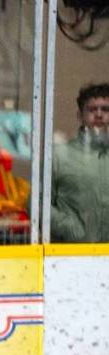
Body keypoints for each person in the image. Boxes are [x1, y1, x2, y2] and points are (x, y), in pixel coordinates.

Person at [51, 82, 109, 243]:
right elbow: (37, 203)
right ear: (80, 116)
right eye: (91, 109)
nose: (99, 115)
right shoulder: (60, 155)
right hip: (71, 256)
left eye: (105, 109)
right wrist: (68, 228)